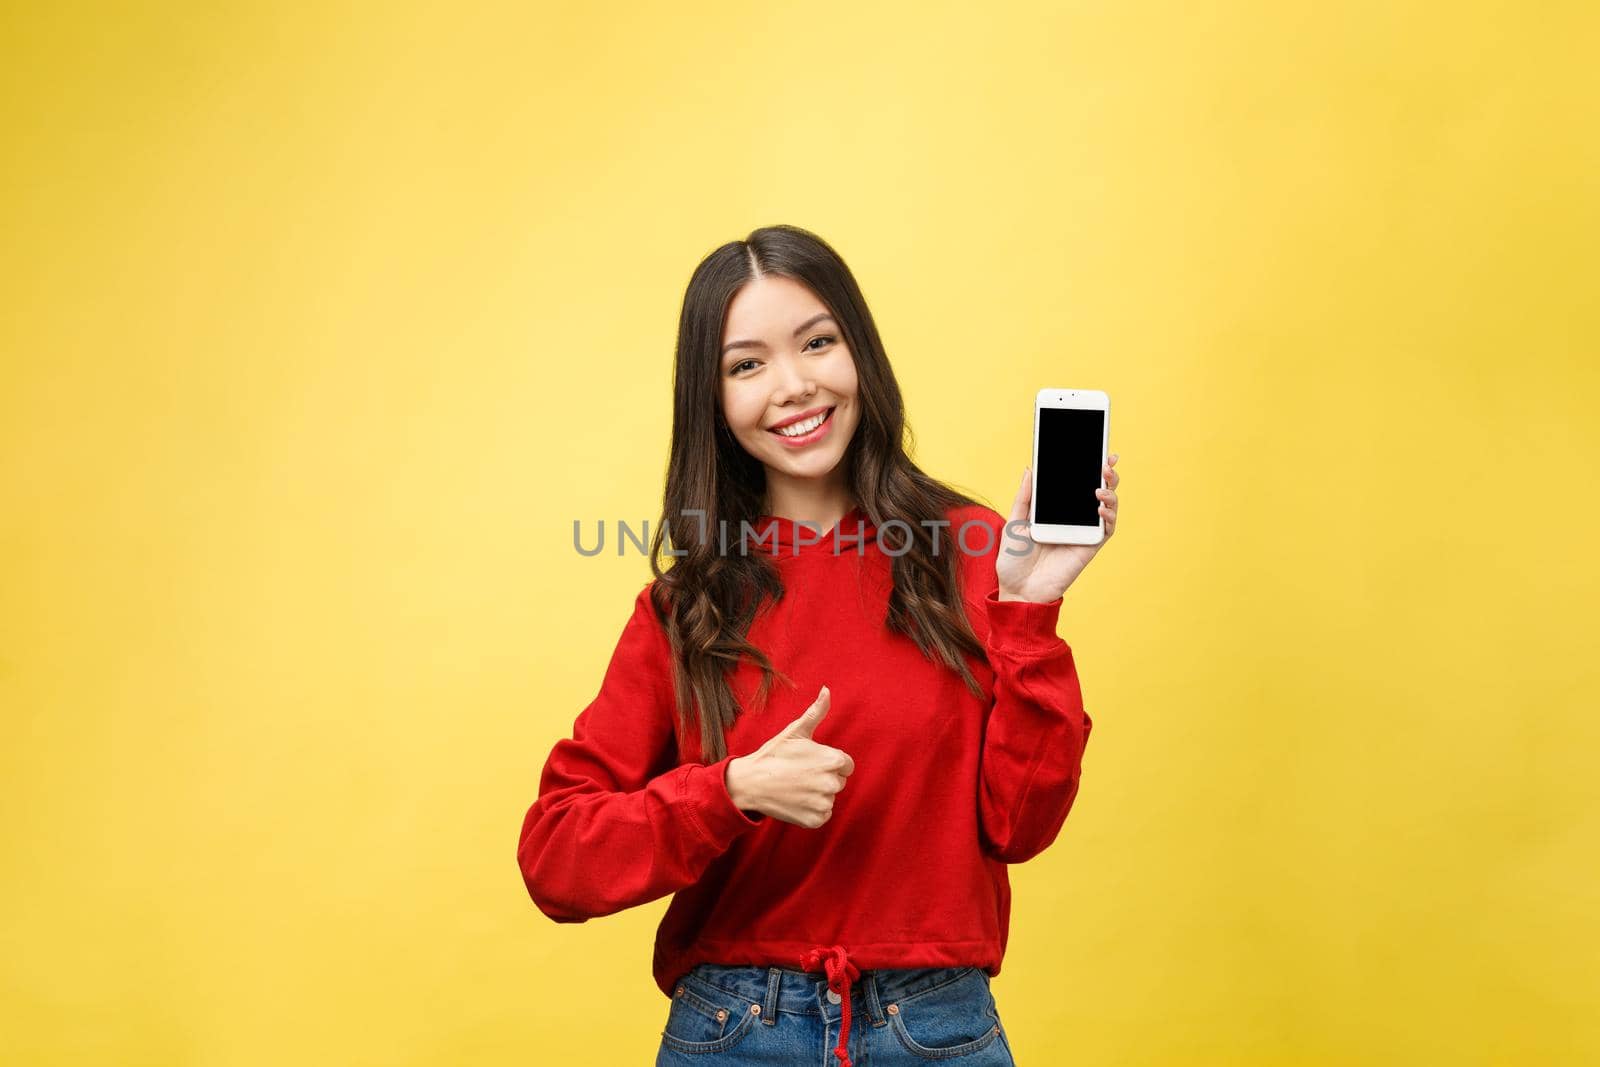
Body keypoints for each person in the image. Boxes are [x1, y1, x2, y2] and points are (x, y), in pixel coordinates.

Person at [517, 224, 1121, 1065]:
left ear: (859, 353)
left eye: (818, 342)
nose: (794, 387)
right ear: (715, 400)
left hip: (936, 1026)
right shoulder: (685, 609)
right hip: (735, 1030)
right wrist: (730, 791)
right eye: (747, 364)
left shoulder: (976, 549)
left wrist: (1027, 605)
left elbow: (1020, 824)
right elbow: (556, 857)